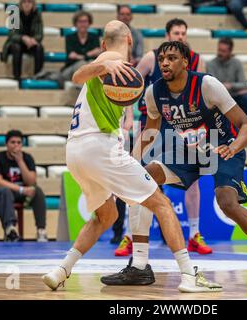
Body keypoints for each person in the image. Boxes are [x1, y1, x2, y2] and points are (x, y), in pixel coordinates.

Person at [101, 41, 247, 289]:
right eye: (163, 58)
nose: (165, 62)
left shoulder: (207, 85)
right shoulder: (153, 92)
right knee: (142, 179)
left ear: (185, 62)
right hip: (187, 151)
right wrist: (131, 164)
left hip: (222, 146)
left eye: (172, 58)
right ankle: (139, 267)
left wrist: (233, 148)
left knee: (227, 203)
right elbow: (151, 130)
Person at [42, 21, 220, 293]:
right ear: (128, 40)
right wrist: (103, 65)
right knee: (161, 204)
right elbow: (77, 75)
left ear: (103, 42)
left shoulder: (122, 71)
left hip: (75, 151)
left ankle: (61, 269)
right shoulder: (111, 59)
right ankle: (188, 275)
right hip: (99, 147)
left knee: (106, 215)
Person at [112, 18, 212, 257]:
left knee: (193, 181)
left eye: (184, 33)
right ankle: (128, 235)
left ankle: (194, 235)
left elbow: (202, 96)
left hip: (183, 126)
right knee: (139, 178)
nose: (180, 36)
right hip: (153, 125)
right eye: (176, 32)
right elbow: (130, 87)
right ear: (167, 35)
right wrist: (128, 117)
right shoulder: (150, 57)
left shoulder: (197, 61)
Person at [0, 130, 47, 242]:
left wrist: (20, 161)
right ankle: (10, 229)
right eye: (13, 142)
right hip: (5, 193)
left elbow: (31, 181)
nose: (16, 145)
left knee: (37, 191)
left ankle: (41, 230)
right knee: (4, 191)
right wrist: (21, 189)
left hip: (23, 193)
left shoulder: (27, 158)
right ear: (6, 144)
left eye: (19, 142)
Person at [207, 37, 247, 120]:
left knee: (246, 97)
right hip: (218, 98)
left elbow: (243, 84)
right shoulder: (211, 64)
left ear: (230, 51)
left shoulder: (237, 63)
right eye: (219, 50)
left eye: (223, 51)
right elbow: (213, 86)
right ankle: (214, 133)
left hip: (234, 96)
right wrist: (231, 87)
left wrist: (230, 85)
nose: (220, 53)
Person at [1, 0, 44, 80]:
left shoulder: (37, 14)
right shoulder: (14, 13)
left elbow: (40, 34)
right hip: (16, 43)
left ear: (33, 4)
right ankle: (17, 77)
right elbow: (12, 35)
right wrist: (23, 38)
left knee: (39, 47)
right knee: (17, 47)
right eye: (24, 2)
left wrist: (33, 40)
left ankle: (38, 76)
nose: (27, 4)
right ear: (21, 4)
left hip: (30, 44)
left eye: (29, 2)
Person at [61, 11, 102, 82]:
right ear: (75, 23)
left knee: (92, 64)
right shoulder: (69, 37)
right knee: (82, 64)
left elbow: (97, 54)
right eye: (80, 21)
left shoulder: (94, 37)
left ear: (89, 23)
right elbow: (71, 56)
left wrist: (79, 56)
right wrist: (89, 54)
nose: (83, 24)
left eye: (85, 21)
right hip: (71, 68)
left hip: (89, 66)